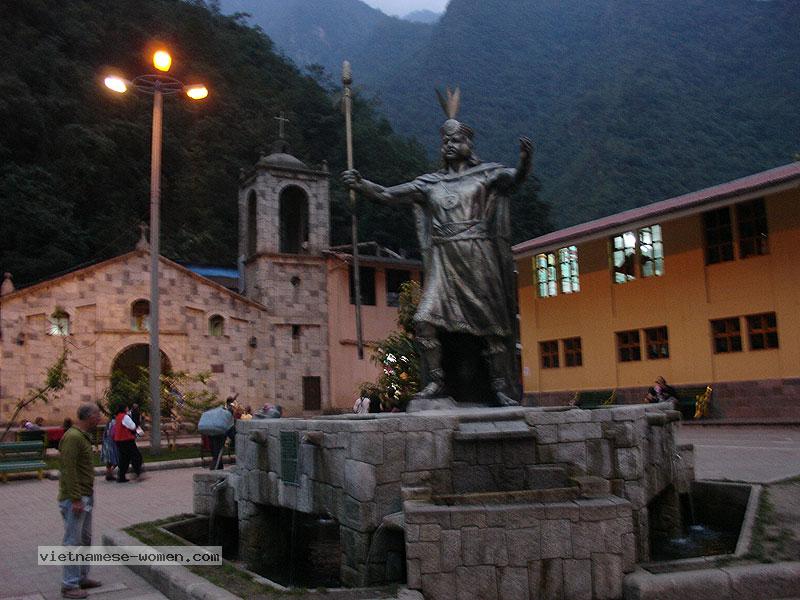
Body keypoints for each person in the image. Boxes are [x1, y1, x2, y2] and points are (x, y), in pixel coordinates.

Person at [342, 89, 532, 406]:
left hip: (477, 256)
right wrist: (361, 185)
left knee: (492, 326)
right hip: (445, 262)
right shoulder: (429, 183)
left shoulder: (485, 175)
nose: (450, 145)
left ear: (469, 144)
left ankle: (500, 387)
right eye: (445, 141)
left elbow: (514, 179)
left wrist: (525, 160)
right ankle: (436, 382)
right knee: (424, 321)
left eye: (456, 140)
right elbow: (388, 194)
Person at [58, 403, 102, 598]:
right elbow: (68, 470)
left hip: (86, 496)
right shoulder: (73, 437)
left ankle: (81, 577)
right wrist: (76, 498)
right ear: (89, 417)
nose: (99, 418)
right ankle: (69, 585)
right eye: (97, 415)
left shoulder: (82, 436)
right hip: (74, 499)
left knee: (85, 538)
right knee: (73, 541)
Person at [113, 406, 143, 482]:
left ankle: (121, 476)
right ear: (124, 409)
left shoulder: (118, 417)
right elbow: (133, 426)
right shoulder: (125, 417)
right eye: (127, 407)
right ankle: (137, 473)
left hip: (119, 440)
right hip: (127, 439)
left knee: (124, 458)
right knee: (136, 456)